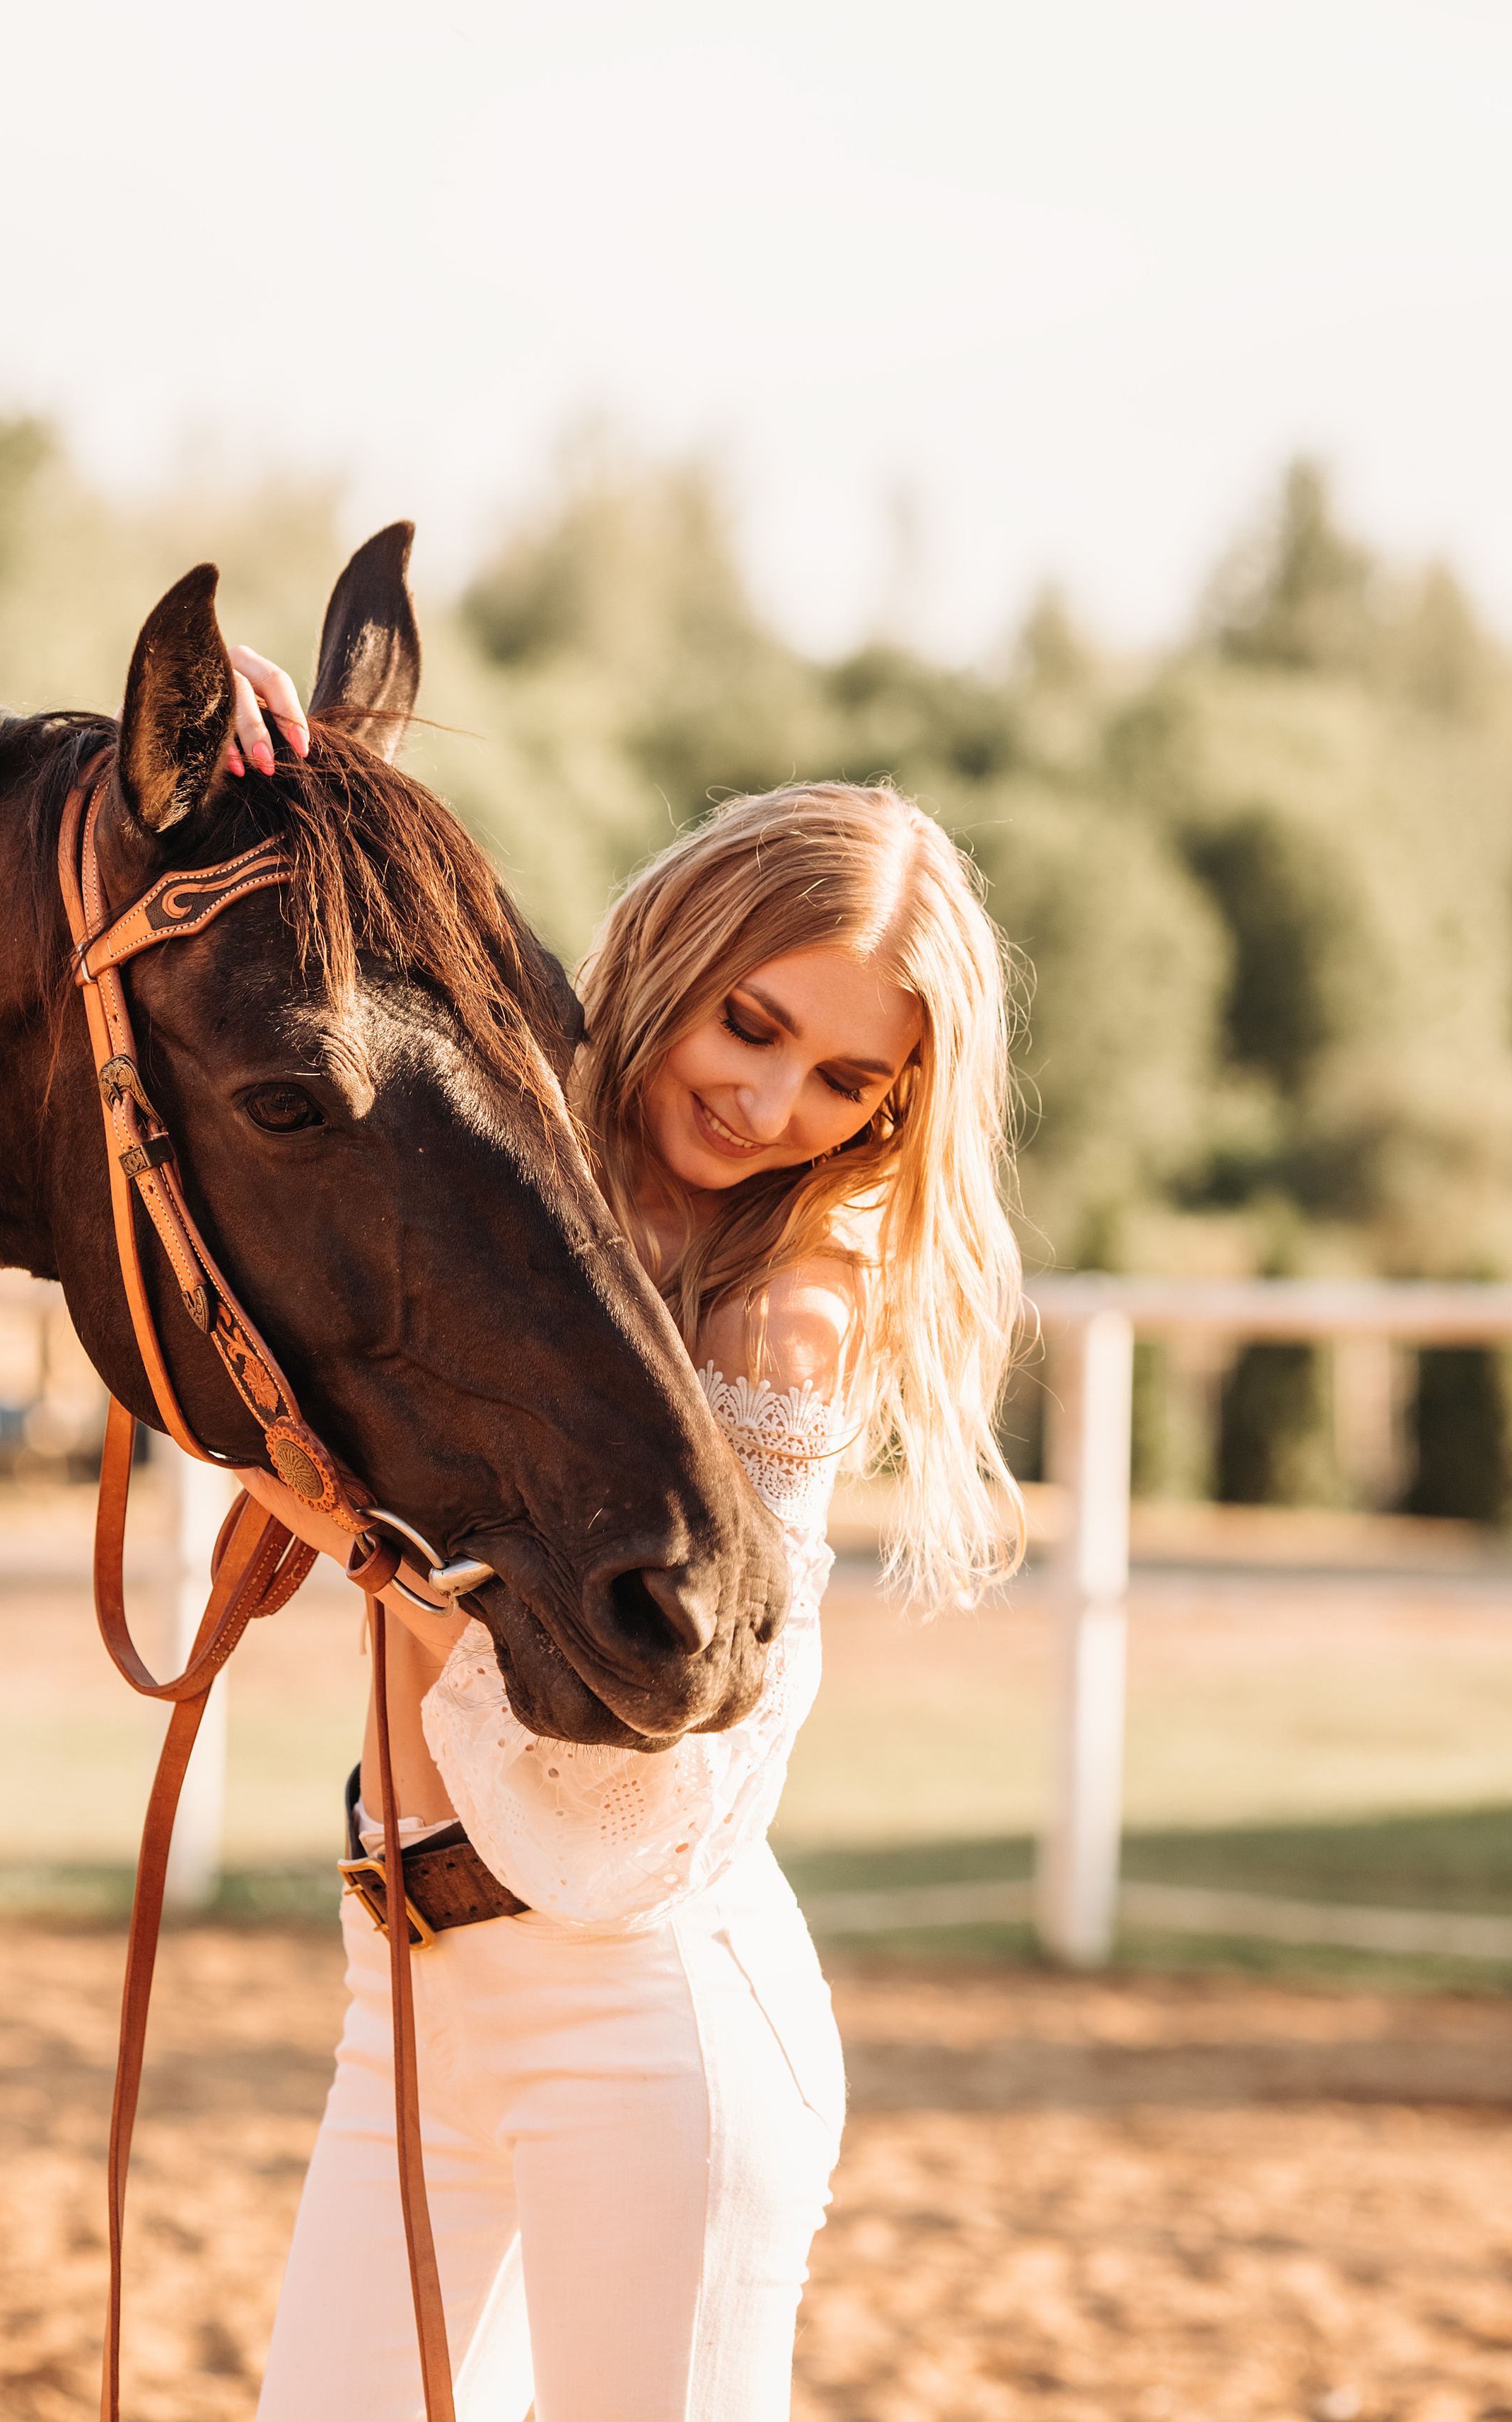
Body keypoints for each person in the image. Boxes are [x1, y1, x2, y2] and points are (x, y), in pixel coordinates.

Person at [228, 695, 1026, 2421]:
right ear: (669, 951)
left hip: (639, 2019)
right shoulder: (509, 1199)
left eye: (842, 1080)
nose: (765, 1101)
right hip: (409, 1990)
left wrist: (354, 1535)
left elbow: (638, 1788)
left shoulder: (779, 1311)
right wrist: (254, 760)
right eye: (748, 1024)